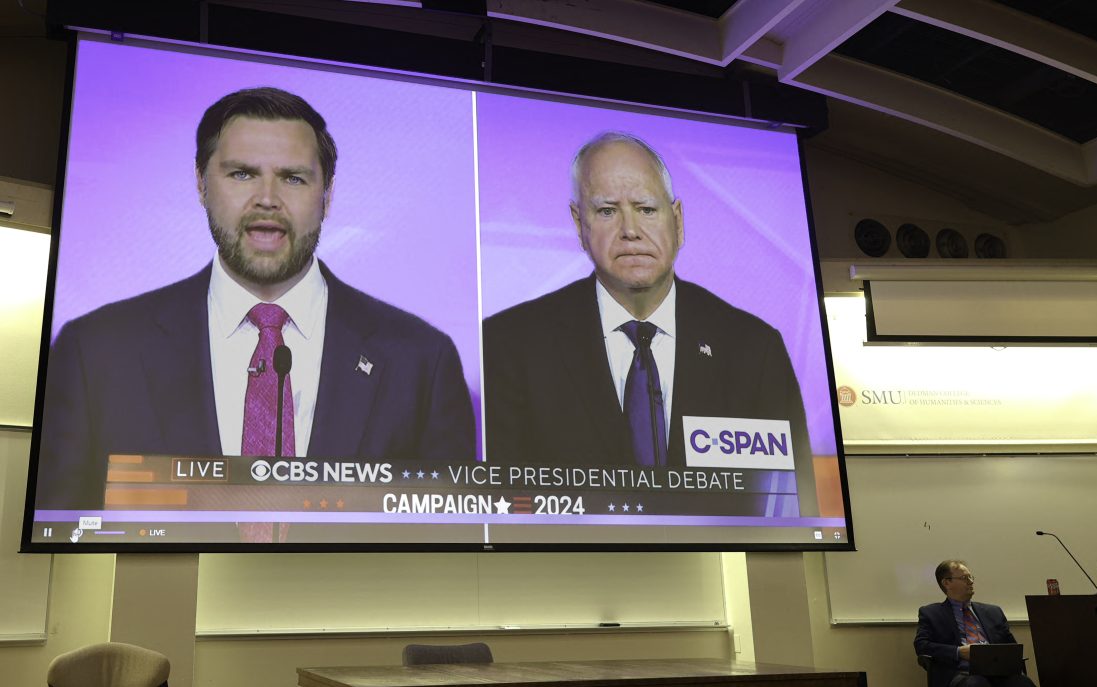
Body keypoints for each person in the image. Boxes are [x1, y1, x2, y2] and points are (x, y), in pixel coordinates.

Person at [36, 87, 475, 512]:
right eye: (242, 174)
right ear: (201, 184)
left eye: (293, 178)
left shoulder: (421, 360)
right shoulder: (96, 350)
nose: (267, 199)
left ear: (328, 195)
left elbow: (447, 542)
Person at [483, 131, 810, 472]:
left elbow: (788, 499)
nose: (631, 230)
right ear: (580, 224)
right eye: (607, 211)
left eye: (647, 209)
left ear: (678, 221)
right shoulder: (508, 345)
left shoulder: (754, 349)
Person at [915, 560, 1040, 687]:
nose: (970, 582)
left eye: (971, 577)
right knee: (977, 685)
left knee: (1024, 684)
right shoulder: (931, 613)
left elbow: (1011, 646)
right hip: (960, 673)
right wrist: (958, 651)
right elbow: (921, 645)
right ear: (946, 583)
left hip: (998, 672)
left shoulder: (993, 612)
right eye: (964, 578)